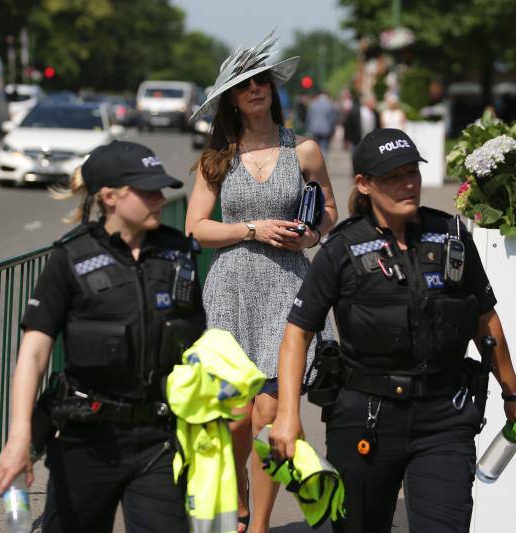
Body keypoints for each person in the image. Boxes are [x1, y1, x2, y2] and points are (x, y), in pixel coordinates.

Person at [270, 128, 516, 532]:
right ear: (365, 184)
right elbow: (297, 333)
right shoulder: (340, 249)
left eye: (413, 172)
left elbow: (485, 318)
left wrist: (513, 393)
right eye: (394, 176)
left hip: (444, 416)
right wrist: (288, 414)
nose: (408, 183)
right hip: (366, 416)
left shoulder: (452, 236)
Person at [0, 140, 205, 533]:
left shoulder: (179, 253)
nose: (161, 198)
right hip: (87, 441)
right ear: (110, 196)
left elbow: (198, 340)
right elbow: (34, 353)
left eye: (161, 189)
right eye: (147, 190)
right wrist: (18, 438)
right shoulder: (69, 258)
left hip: (160, 438)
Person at [186, 32, 338, 533]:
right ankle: (240, 496)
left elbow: (331, 214)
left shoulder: (306, 150)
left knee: (268, 418)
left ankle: (258, 527)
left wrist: (309, 234)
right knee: (233, 421)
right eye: (244, 84)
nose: (255, 90)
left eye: (261, 81)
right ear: (232, 96)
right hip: (230, 290)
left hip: (288, 289)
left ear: (272, 89)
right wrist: (252, 228)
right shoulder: (217, 157)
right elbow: (196, 228)